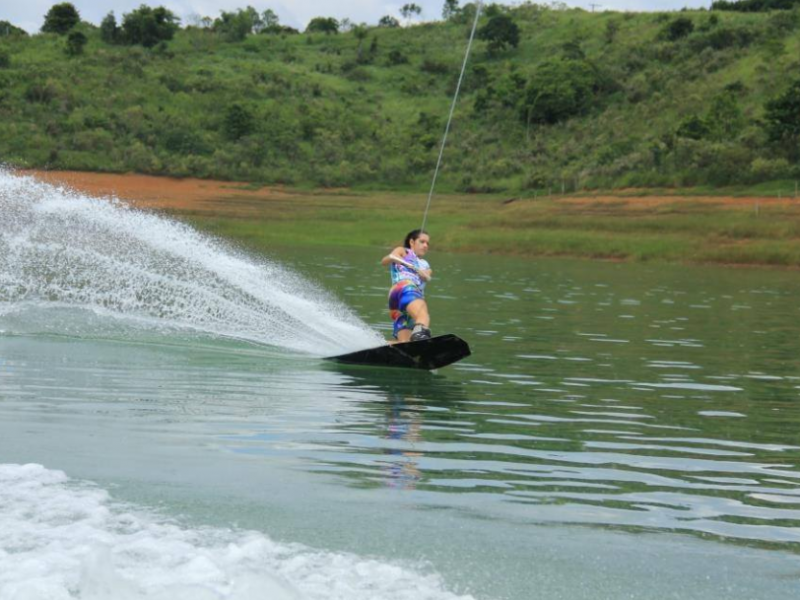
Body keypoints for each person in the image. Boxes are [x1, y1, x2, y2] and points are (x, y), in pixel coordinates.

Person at [381, 229, 433, 343]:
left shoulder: (425, 265)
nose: (425, 245)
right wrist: (411, 266)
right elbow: (386, 260)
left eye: (427, 243)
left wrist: (423, 273)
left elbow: (427, 276)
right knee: (423, 317)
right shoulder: (403, 251)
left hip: (396, 302)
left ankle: (371, 345)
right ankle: (422, 341)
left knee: (405, 344)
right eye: (422, 241)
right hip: (405, 288)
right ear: (412, 242)